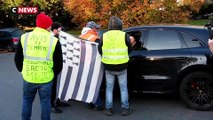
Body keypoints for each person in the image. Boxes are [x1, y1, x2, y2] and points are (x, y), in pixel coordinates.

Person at [14, 13, 63, 120]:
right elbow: (59, 64)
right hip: (46, 78)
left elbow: (17, 59)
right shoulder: (54, 40)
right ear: (48, 26)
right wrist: (52, 74)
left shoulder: (24, 37)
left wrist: (22, 70)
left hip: (28, 76)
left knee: (27, 101)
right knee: (45, 103)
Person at [98, 16, 132, 116]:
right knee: (123, 88)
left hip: (108, 66)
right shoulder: (124, 35)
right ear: (120, 25)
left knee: (109, 88)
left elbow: (100, 49)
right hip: (122, 66)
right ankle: (125, 109)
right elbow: (129, 49)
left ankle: (108, 109)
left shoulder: (104, 35)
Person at [79, 21, 104, 111]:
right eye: (96, 28)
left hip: (82, 64)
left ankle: (89, 102)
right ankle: (98, 104)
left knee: (87, 83)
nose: (97, 30)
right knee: (94, 83)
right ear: (92, 28)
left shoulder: (80, 36)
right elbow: (101, 50)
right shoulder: (94, 37)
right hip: (93, 64)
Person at [50, 22, 70, 114]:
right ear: (54, 29)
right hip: (52, 67)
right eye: (59, 29)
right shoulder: (51, 39)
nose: (61, 30)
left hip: (57, 66)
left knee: (58, 85)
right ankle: (52, 105)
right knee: (53, 87)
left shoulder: (57, 37)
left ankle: (57, 101)